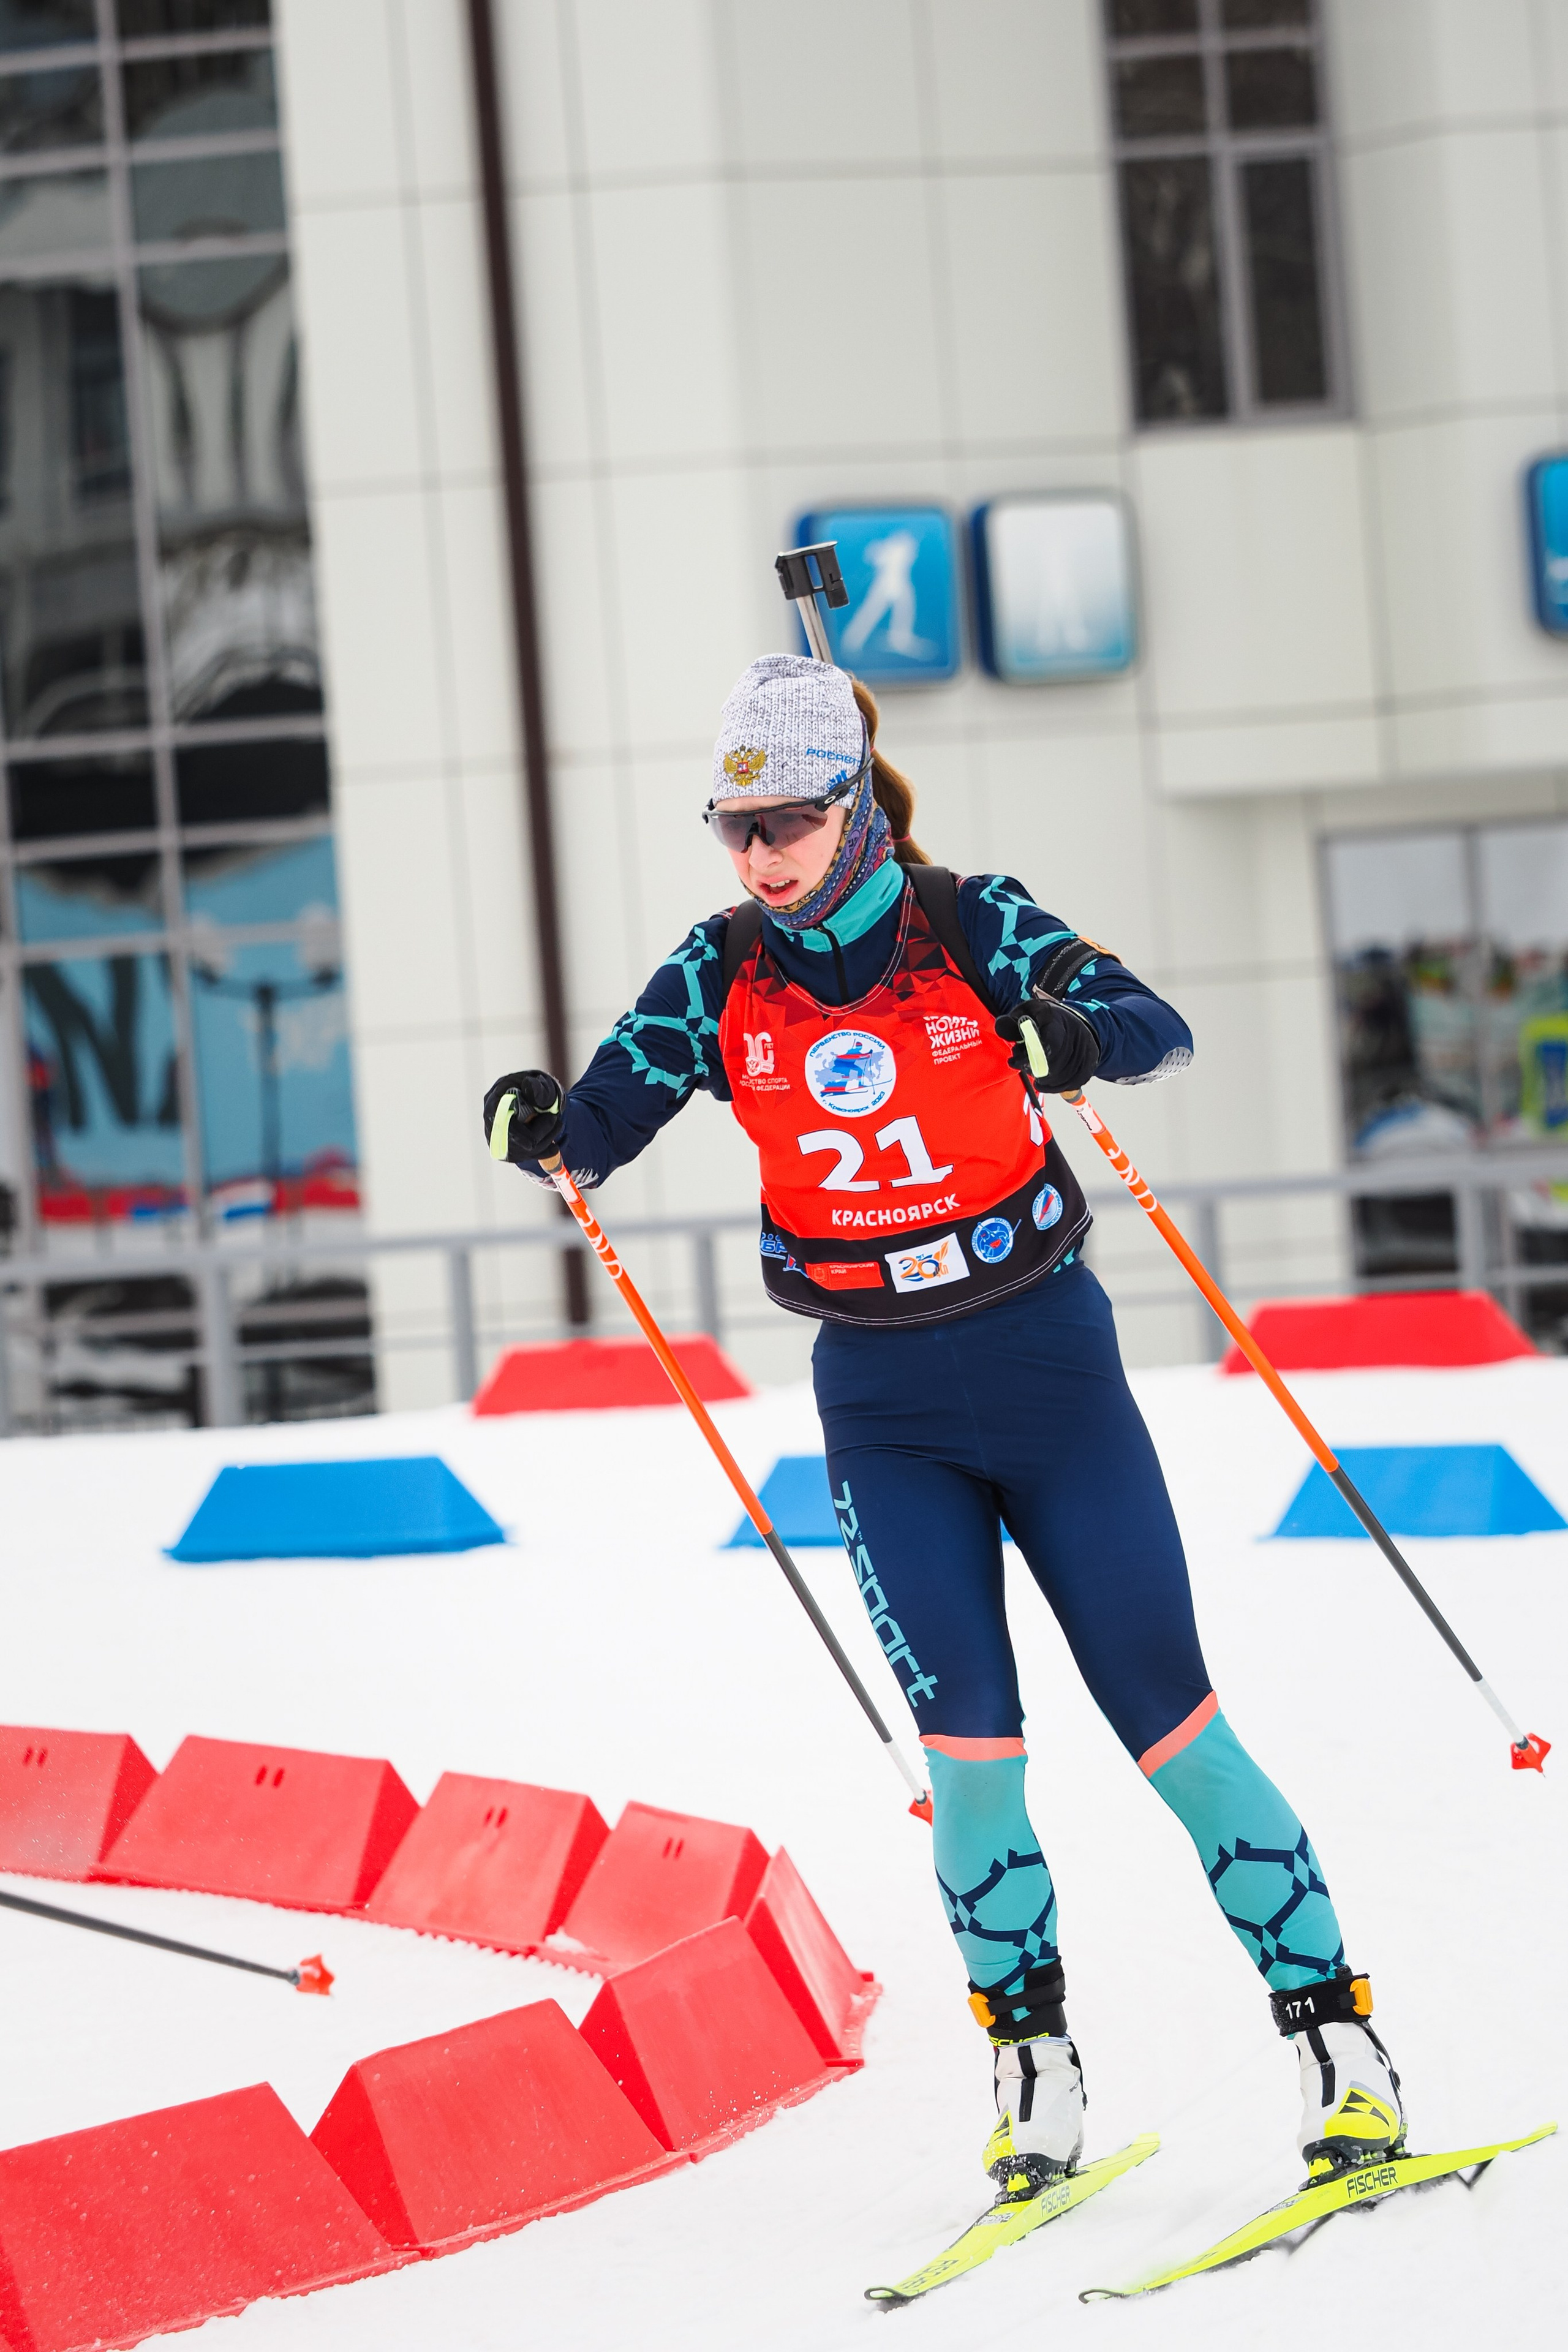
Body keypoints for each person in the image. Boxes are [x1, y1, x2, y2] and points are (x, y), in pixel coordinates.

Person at [483, 652, 1403, 2200]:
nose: (757, 855)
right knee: (971, 1761)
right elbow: (595, 1127)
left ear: (850, 807)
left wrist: (1074, 1038)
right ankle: (1032, 2073)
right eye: (733, 827)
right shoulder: (717, 973)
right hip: (883, 1403)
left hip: (1048, 1372)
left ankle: (1338, 2047)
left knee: (1174, 1733)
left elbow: (1149, 1020)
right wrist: (533, 1123)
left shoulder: (969, 921)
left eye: (783, 820)